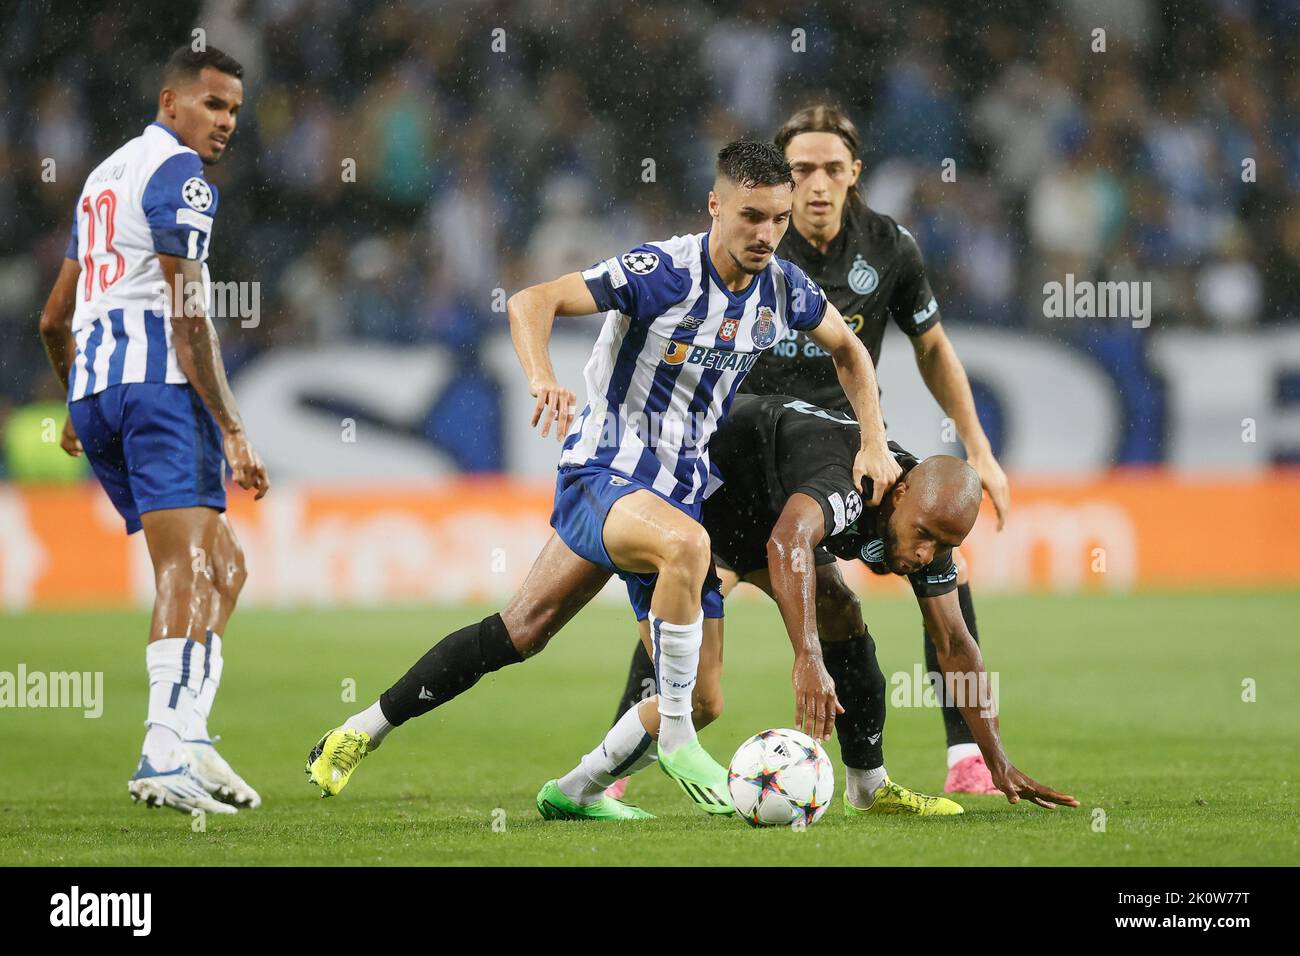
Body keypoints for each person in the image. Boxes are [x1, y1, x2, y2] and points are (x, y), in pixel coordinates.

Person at [306, 142, 901, 817]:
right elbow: (533, 301)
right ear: (715, 205)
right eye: (750, 217)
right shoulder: (661, 272)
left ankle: (546, 785)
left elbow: (849, 350)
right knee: (687, 551)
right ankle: (673, 741)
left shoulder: (783, 290)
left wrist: (875, 441)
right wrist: (541, 378)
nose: (765, 235)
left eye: (777, 220)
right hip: (604, 470)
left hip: (677, 492)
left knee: (547, 639)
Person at [606, 105, 1011, 797]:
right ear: (781, 184)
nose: (817, 185)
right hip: (741, 454)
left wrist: (977, 447)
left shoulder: (890, 247)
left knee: (936, 569)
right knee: (695, 595)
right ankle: (612, 770)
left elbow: (933, 347)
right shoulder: (759, 241)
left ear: (855, 173)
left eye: (831, 169)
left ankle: (964, 757)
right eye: (801, 171)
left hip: (846, 459)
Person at [543, 395, 1077, 819]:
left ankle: (870, 787)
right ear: (898, 493)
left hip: (771, 510)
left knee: (840, 605)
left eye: (940, 545)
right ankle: (581, 786)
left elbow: (955, 643)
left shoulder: (927, 520)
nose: (923, 553)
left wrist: (998, 760)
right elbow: (786, 542)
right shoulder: (853, 482)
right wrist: (807, 658)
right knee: (699, 699)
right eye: (923, 536)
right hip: (704, 502)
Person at [37, 46, 269, 815]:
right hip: (157, 392)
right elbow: (188, 312)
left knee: (224, 567)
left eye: (234, 109)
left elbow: (52, 318)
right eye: (213, 105)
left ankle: (191, 738)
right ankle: (162, 749)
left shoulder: (105, 177)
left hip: (100, 393)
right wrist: (231, 428)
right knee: (188, 567)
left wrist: (77, 396)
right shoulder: (180, 176)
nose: (226, 122)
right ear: (171, 101)